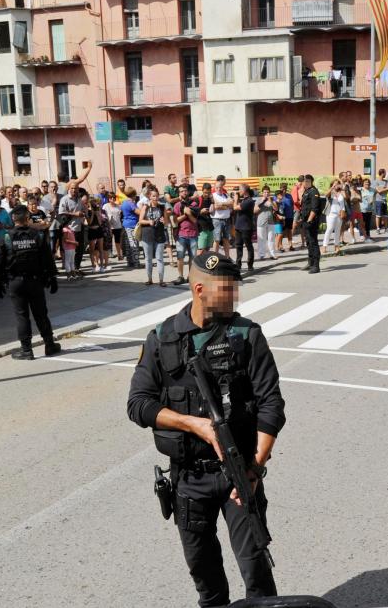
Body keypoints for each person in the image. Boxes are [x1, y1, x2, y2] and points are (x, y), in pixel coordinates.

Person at [126, 252, 285, 607]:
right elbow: (138, 405)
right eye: (228, 291)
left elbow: (272, 405)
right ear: (200, 289)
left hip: (239, 472)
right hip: (188, 479)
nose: (235, 298)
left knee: (256, 569)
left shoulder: (247, 335)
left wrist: (254, 469)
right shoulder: (163, 338)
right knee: (205, 576)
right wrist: (192, 423)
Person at [0, 205, 61, 360]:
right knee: (41, 314)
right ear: (27, 218)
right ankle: (49, 344)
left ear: (13, 219)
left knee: (22, 316)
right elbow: (47, 259)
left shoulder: (6, 237)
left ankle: (26, 350)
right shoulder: (38, 236)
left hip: (15, 283)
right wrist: (52, 277)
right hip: (35, 281)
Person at [56, 161, 93, 275]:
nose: (74, 190)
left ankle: (76, 269)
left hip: (79, 227)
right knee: (70, 252)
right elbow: (61, 213)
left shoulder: (79, 200)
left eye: (76, 188)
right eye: (72, 188)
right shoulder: (64, 199)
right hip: (69, 229)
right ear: (68, 188)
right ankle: (70, 271)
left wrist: (86, 214)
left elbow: (83, 210)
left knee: (80, 250)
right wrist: (75, 214)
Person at [137, 189, 169, 287]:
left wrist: (164, 220)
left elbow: (167, 223)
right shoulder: (145, 207)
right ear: (149, 197)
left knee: (160, 258)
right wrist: (148, 222)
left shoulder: (162, 207)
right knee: (148, 258)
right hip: (147, 234)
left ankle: (161, 280)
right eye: (153, 196)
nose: (155, 198)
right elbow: (140, 221)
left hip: (159, 234)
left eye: (157, 196)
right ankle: (149, 279)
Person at [173, 184, 200, 285]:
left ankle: (190, 276)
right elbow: (175, 221)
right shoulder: (177, 205)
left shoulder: (194, 204)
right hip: (181, 234)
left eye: (185, 190)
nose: (184, 192)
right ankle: (180, 276)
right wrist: (186, 214)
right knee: (180, 257)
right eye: (181, 191)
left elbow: (195, 220)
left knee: (192, 257)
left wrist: (188, 213)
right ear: (179, 193)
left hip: (193, 234)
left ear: (188, 192)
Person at [299, 175, 321, 274]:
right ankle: (310, 262)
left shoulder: (314, 192)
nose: (305, 183)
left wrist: (309, 220)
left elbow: (314, 208)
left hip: (311, 221)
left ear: (311, 181)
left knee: (313, 243)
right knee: (308, 242)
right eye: (304, 181)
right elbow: (303, 206)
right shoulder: (306, 191)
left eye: (307, 181)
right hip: (305, 220)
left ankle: (316, 266)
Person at [233, 184, 256, 272]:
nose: (239, 192)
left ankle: (250, 265)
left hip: (246, 227)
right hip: (239, 226)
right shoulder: (244, 200)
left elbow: (235, 207)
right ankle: (238, 264)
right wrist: (237, 199)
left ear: (244, 191)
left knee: (248, 245)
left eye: (240, 190)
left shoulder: (249, 201)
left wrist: (235, 199)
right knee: (238, 245)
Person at [211, 176, 233, 257]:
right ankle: (215, 258)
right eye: (217, 187)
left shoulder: (226, 195)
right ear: (214, 187)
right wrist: (227, 206)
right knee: (216, 240)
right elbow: (216, 206)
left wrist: (222, 204)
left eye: (220, 187)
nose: (219, 189)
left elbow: (232, 203)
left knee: (226, 239)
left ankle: (227, 257)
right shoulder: (212, 195)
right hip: (217, 220)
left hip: (226, 219)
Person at [255, 186, 278, 261]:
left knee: (271, 239)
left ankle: (272, 254)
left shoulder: (272, 200)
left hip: (270, 222)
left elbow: (276, 209)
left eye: (268, 192)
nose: (266, 193)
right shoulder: (258, 200)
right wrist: (262, 201)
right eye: (265, 192)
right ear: (262, 193)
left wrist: (270, 201)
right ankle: (261, 255)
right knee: (261, 239)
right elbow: (255, 210)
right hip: (261, 222)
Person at [121, 187, 142, 269]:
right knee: (134, 244)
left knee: (128, 245)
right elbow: (139, 212)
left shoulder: (124, 202)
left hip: (126, 225)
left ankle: (129, 262)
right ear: (133, 194)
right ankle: (136, 263)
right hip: (132, 225)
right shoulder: (130, 203)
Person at [103, 194, 124, 262]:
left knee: (118, 241)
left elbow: (120, 215)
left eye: (114, 198)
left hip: (118, 226)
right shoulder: (105, 206)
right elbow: (103, 215)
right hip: (109, 226)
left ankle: (119, 255)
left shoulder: (118, 206)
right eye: (111, 198)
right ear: (108, 199)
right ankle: (107, 257)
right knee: (108, 241)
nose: (112, 199)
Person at [196, 183, 215, 256]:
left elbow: (213, 212)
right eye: (205, 192)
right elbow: (192, 213)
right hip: (201, 227)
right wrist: (201, 211)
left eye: (208, 192)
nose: (206, 194)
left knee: (207, 247)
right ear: (202, 190)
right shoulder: (198, 200)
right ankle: (198, 264)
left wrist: (213, 202)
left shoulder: (210, 200)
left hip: (209, 226)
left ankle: (204, 263)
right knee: (201, 248)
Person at [277, 186, 294, 252]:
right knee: (281, 232)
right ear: (280, 189)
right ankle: (280, 246)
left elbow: (292, 204)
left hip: (289, 216)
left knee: (289, 231)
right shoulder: (277, 196)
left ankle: (290, 245)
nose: (284, 191)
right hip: (282, 217)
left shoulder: (289, 195)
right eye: (283, 189)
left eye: (285, 189)